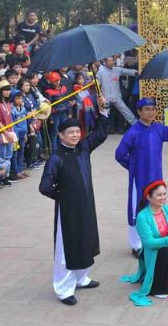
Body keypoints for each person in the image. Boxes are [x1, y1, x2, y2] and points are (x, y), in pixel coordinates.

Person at [38, 94, 111, 306]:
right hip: (68, 210)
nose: (75, 135)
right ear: (60, 135)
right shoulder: (56, 158)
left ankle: (82, 278)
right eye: (70, 132)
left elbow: (100, 133)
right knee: (67, 248)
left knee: (85, 240)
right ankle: (63, 288)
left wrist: (102, 110)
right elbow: (44, 186)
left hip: (87, 204)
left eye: (77, 131)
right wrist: (63, 196)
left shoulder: (83, 149)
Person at [114, 98, 168, 256]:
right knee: (137, 208)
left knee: (157, 206)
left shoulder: (158, 129)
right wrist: (133, 167)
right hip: (140, 178)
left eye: (153, 109)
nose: (151, 113)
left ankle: (156, 238)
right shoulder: (133, 132)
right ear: (139, 112)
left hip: (156, 176)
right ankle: (136, 244)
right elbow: (119, 154)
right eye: (147, 109)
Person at [120, 180, 168, 305]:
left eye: (164, 194)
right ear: (149, 197)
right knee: (167, 254)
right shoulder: (142, 217)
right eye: (159, 195)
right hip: (152, 252)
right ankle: (157, 287)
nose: (163, 197)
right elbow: (149, 243)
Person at [96, 56, 138, 133]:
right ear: (105, 61)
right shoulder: (100, 71)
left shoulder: (117, 70)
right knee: (104, 114)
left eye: (112, 61)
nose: (111, 62)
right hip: (106, 97)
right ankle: (101, 130)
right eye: (109, 61)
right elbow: (97, 84)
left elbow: (128, 71)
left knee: (126, 110)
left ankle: (137, 126)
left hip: (116, 96)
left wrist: (137, 71)